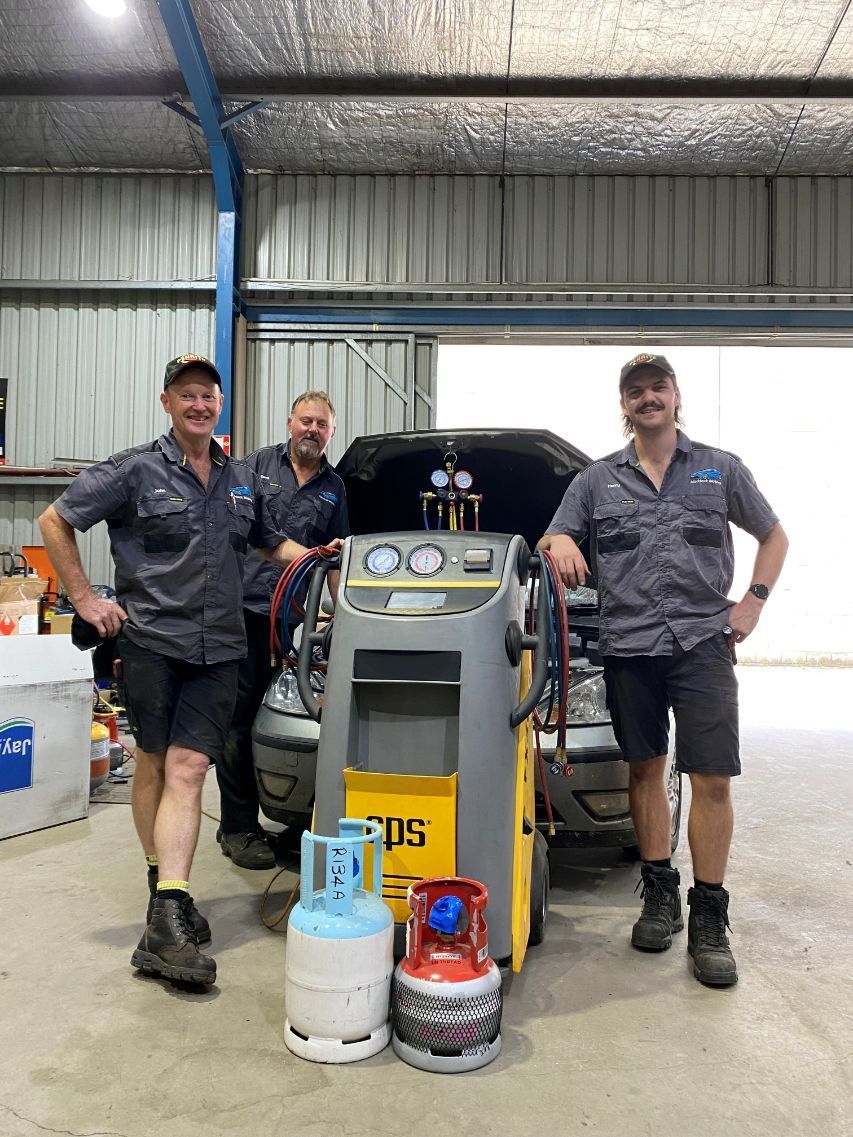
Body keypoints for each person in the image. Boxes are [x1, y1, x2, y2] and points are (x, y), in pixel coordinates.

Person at [39, 354, 339, 988]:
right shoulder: (133, 469)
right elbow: (54, 520)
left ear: (219, 404)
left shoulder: (238, 479)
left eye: (208, 395)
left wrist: (316, 557)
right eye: (187, 395)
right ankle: (164, 892)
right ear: (167, 402)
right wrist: (86, 601)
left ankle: (169, 906)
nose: (199, 404)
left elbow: (265, 540)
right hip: (150, 640)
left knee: (190, 764)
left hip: (221, 646)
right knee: (152, 760)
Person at [539, 352, 788, 986]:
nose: (648, 398)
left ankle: (708, 913)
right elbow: (551, 538)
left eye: (658, 387)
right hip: (629, 648)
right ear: (623, 405)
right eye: (636, 391)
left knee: (712, 778)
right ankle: (658, 894)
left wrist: (752, 603)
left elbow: (774, 536)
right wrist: (560, 539)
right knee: (646, 769)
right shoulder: (595, 481)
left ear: (677, 396)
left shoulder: (718, 469)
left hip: (703, 645)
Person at [215, 390, 349, 868]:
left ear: (332, 432)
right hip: (242, 613)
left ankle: (286, 815)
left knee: (283, 717)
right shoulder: (250, 469)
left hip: (295, 620)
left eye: (322, 424)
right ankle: (237, 827)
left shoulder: (335, 488)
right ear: (290, 422)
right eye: (305, 421)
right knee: (237, 720)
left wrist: (344, 610)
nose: (312, 430)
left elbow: (335, 558)